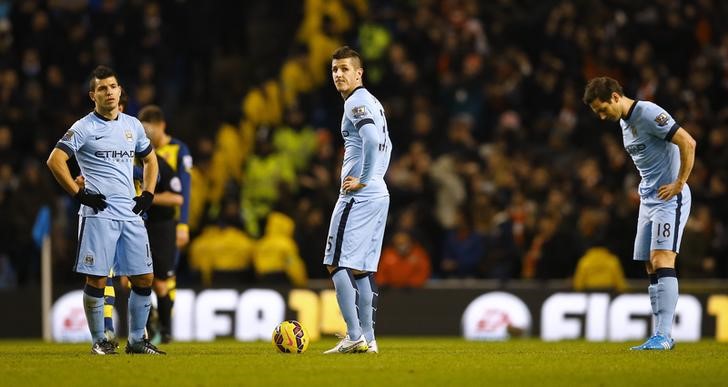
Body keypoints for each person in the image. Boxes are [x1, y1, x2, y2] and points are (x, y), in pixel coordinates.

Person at [46, 65, 164, 355]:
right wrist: (79, 194)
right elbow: (55, 161)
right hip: (98, 213)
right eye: (102, 88)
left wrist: (148, 194)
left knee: (144, 278)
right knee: (97, 278)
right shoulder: (83, 127)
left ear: (120, 90)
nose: (109, 92)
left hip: (131, 213)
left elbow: (151, 161)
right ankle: (100, 339)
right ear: (92, 95)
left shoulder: (133, 125)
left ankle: (137, 340)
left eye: (113, 86)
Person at [583, 76, 696, 351]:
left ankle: (665, 334)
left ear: (614, 97)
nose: (601, 116)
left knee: (661, 259)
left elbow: (687, 142)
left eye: (602, 109)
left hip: (669, 198)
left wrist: (679, 183)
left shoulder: (648, 113)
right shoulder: (624, 123)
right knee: (648, 263)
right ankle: (659, 333)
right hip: (648, 200)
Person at [323, 46, 392, 354]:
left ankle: (353, 336)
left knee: (335, 263)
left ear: (359, 73)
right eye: (335, 69)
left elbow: (372, 140)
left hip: (359, 195)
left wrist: (363, 178)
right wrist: (374, 177)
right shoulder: (372, 102)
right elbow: (385, 143)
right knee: (362, 269)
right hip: (378, 193)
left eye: (345, 69)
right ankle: (369, 339)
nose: (339, 74)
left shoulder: (356, 102)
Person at [137, 104, 192, 344]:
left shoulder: (177, 151)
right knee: (138, 278)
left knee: (164, 279)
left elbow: (184, 192)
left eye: (150, 129)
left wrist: (183, 225)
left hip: (167, 223)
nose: (147, 134)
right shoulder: (135, 157)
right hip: (140, 224)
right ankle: (149, 327)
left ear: (161, 126)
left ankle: (165, 329)